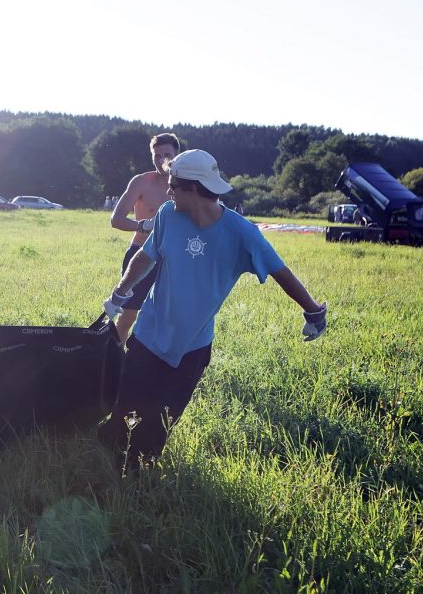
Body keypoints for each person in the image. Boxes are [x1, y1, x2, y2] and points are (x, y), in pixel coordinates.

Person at [99, 149, 327, 472]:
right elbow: (145, 256)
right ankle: (108, 448)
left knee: (158, 424)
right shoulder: (167, 215)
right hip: (148, 334)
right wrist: (120, 291)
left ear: (192, 188)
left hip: (190, 348)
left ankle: (137, 476)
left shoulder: (240, 233)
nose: (168, 191)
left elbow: (280, 272)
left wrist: (313, 311)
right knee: (126, 407)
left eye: (173, 185)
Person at [109, 132, 181, 343]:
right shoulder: (141, 182)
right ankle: (115, 357)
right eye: (156, 155)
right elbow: (116, 219)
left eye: (166, 155)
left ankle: (155, 360)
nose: (161, 161)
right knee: (128, 314)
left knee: (167, 315)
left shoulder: (187, 185)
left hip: (173, 258)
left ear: (177, 154)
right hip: (141, 254)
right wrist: (143, 225)